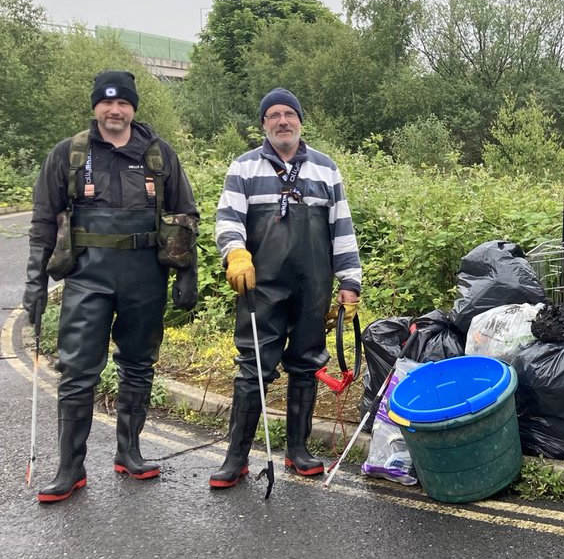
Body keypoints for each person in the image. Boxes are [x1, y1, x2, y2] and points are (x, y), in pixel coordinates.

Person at [23, 70, 199, 503]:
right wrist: (34, 284)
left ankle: (130, 453)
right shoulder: (69, 154)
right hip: (87, 278)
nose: (114, 110)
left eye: (122, 104)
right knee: (78, 372)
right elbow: (43, 223)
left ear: (133, 108)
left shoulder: (159, 155)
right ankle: (70, 468)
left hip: (144, 277)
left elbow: (185, 215)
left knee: (138, 364)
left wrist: (187, 275)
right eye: (106, 103)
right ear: (95, 106)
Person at [210, 88, 362, 488]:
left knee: (307, 364)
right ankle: (235, 458)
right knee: (253, 369)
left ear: (300, 121)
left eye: (289, 114)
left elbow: (342, 229)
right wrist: (235, 254)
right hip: (260, 286)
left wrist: (350, 282)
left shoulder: (326, 170)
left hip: (313, 287)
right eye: (273, 115)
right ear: (263, 124)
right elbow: (227, 220)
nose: (282, 121)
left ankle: (298, 450)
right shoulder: (243, 168)